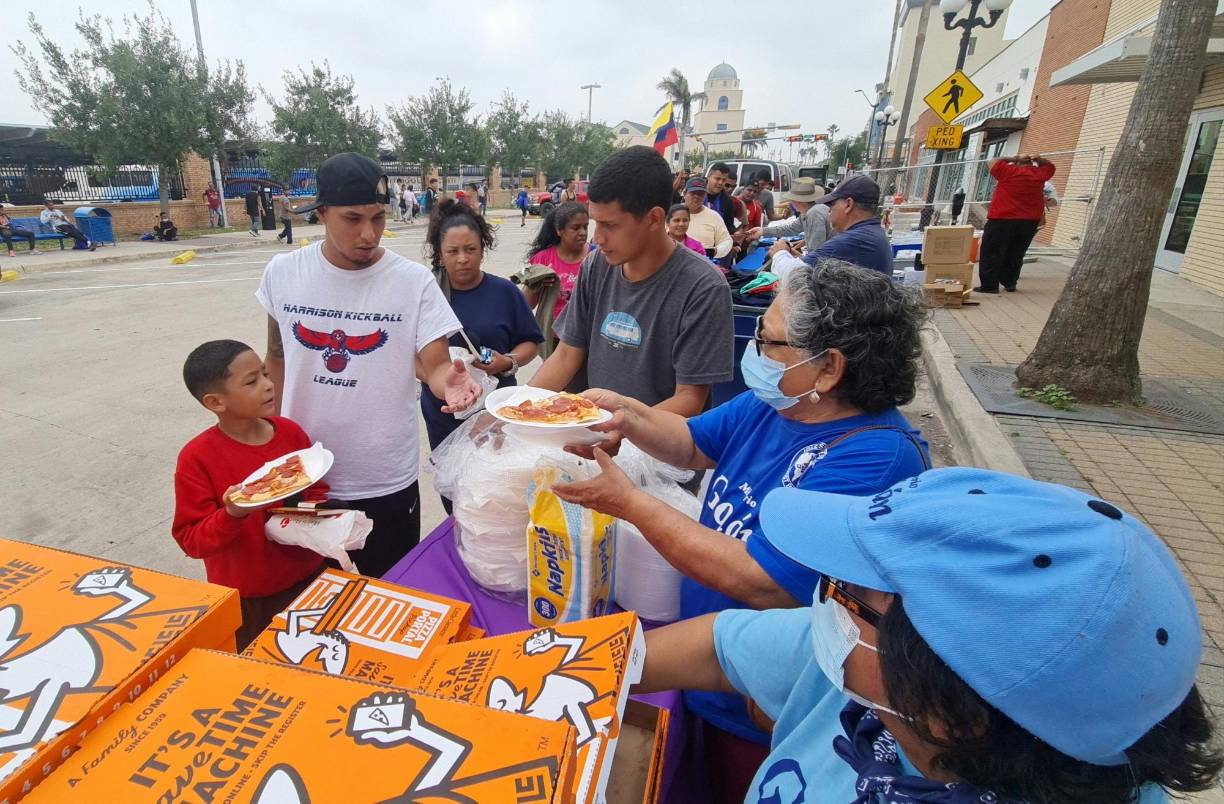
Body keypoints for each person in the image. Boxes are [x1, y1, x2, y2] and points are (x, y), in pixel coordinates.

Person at [553, 261, 930, 803]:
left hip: (755, 700)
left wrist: (630, 504)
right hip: (701, 665)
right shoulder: (779, 403)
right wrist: (627, 414)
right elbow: (690, 443)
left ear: (828, 369)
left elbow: (763, 580)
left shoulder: (876, 457)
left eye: (768, 339)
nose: (752, 349)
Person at [636, 467, 1223, 804]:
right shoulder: (865, 680)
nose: (825, 600)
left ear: (948, 717)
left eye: (848, 592)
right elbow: (718, 646)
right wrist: (554, 665)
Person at [256, 152, 481, 579]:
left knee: (387, 595)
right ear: (321, 213)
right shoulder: (283, 273)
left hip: (384, 478)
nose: (369, 234)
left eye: (378, 218)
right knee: (309, 602)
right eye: (353, 218)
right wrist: (265, 441)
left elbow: (434, 366)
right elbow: (277, 357)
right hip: (303, 474)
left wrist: (448, 383)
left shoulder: (412, 281)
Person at [530, 145, 733, 419]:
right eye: (595, 224)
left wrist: (620, 427)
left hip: (659, 451)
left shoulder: (703, 288)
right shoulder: (596, 265)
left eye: (610, 226)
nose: (597, 238)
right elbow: (567, 353)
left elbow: (689, 399)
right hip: (595, 436)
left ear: (654, 218)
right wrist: (520, 409)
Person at [172, 339, 327, 649]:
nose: (268, 386)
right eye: (252, 381)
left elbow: (316, 486)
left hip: (312, 575)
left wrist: (321, 513)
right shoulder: (198, 458)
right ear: (216, 402)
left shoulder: (289, 432)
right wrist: (233, 513)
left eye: (266, 374)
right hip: (251, 596)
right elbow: (192, 539)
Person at [421, 199, 542, 455]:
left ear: (482, 249)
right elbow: (411, 355)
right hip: (444, 410)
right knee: (452, 487)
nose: (463, 259)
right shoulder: (427, 296)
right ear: (440, 254)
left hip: (496, 405)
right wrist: (439, 378)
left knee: (496, 484)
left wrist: (507, 362)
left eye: (470, 249)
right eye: (453, 251)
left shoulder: (505, 292)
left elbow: (531, 342)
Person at [767, 175, 893, 277]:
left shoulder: (853, 240)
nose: (828, 211)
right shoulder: (871, 233)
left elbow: (793, 275)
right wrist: (800, 258)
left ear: (848, 205)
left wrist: (780, 253)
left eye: (832, 205)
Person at [976, 153, 1056, 294]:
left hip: (1003, 218)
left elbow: (992, 161)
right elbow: (1050, 166)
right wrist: (1038, 159)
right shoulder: (1039, 174)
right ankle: (1010, 282)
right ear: (1032, 164)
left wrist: (1013, 158)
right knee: (1016, 252)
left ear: (1018, 163)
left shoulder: (1009, 171)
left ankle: (990, 285)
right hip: (1029, 221)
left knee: (992, 251)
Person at [523, 202, 591, 333]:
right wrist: (535, 285)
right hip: (553, 338)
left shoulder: (595, 257)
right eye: (576, 228)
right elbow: (525, 305)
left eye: (585, 227)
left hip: (588, 337)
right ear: (559, 230)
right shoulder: (543, 259)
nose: (583, 232)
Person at [746, 178, 831, 261]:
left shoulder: (814, 213)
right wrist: (762, 231)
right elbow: (790, 228)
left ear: (799, 201)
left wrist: (797, 256)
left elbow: (815, 254)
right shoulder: (808, 212)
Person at [681, 176, 732, 262]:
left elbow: (727, 241)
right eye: (693, 193)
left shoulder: (714, 216)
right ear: (685, 193)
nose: (696, 197)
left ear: (705, 196)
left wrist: (715, 251)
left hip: (703, 264)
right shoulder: (673, 213)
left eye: (700, 194)